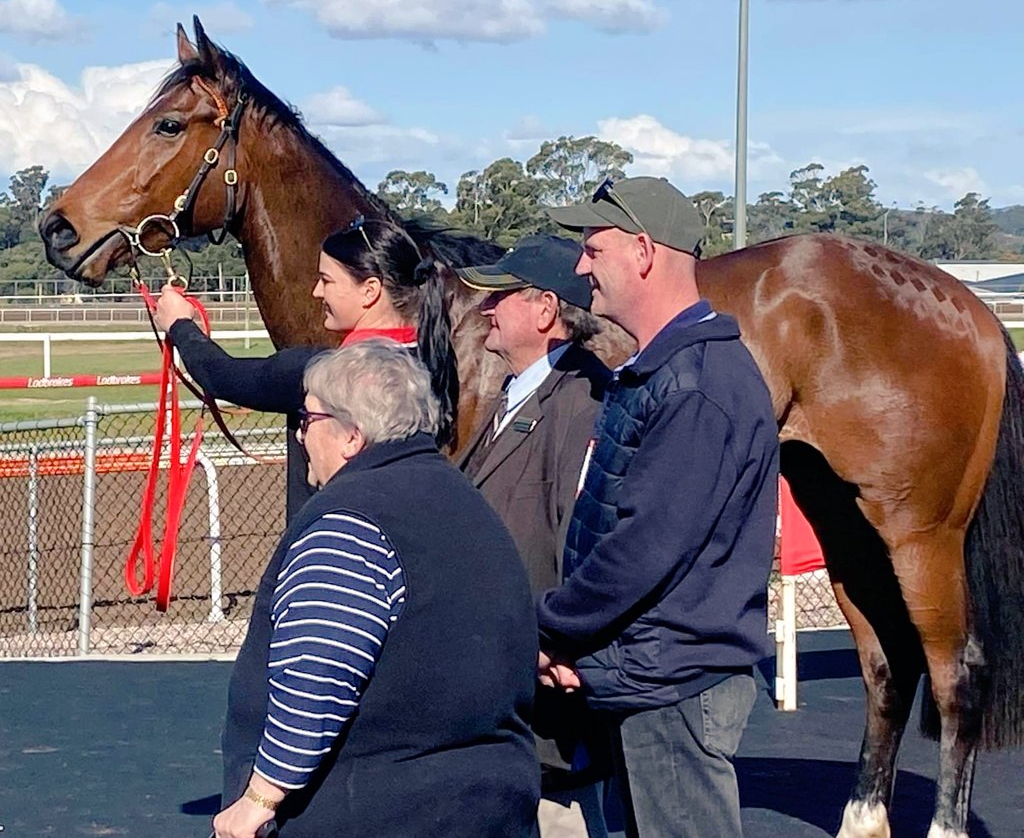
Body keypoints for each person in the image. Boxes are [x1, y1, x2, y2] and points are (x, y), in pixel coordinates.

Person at [213, 340, 540, 838]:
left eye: (308, 419)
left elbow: (317, 674)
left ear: (351, 436)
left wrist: (260, 797)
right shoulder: (464, 501)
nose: (301, 436)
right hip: (489, 800)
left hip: (373, 808)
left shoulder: (349, 521)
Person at [537, 177, 779, 838]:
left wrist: (552, 629)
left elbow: (643, 548)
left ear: (643, 251)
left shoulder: (697, 383)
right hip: (651, 676)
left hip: (675, 684)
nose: (581, 265)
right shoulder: (664, 371)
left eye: (593, 249)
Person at [455, 234, 611, 838]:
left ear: (546, 310)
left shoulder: (581, 401)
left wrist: (552, 642)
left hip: (547, 704)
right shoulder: (515, 394)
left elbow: (577, 542)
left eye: (503, 297)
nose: (487, 309)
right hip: (508, 691)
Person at [152, 216, 458, 517]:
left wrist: (180, 325)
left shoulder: (320, 372)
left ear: (370, 290)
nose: (317, 292)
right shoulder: (433, 359)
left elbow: (221, 375)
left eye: (326, 280)